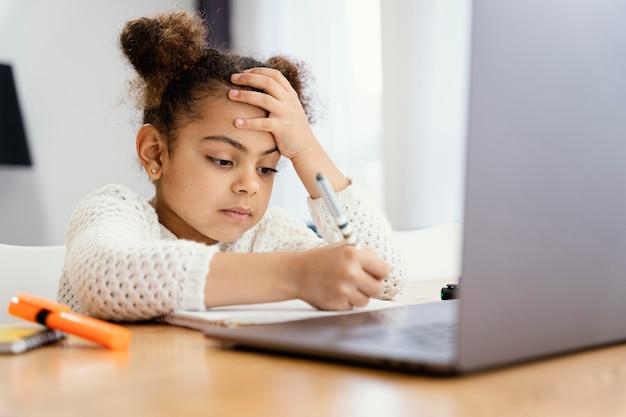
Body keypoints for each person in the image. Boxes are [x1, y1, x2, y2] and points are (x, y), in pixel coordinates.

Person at [56, 10, 405, 322]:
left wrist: (305, 148)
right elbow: (108, 279)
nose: (249, 185)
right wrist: (297, 275)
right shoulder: (112, 212)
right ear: (155, 153)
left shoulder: (265, 234)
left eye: (267, 169)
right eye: (223, 160)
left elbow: (383, 278)